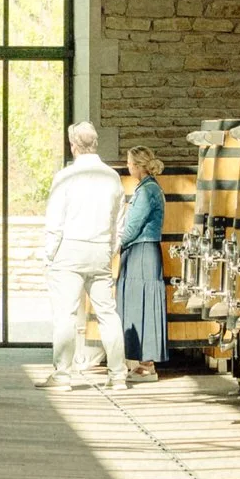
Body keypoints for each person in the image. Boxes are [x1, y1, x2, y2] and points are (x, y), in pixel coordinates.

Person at [41, 120, 128, 389]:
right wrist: (110, 249)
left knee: (65, 315)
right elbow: (119, 221)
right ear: (96, 143)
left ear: (73, 146)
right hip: (100, 249)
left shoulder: (66, 177)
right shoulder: (112, 177)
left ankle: (63, 375)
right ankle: (118, 375)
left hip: (69, 249)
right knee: (108, 314)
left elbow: (55, 221)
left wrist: (49, 255)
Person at [117, 145, 167, 387]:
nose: (127, 167)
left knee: (141, 305)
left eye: (129, 163)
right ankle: (142, 363)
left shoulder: (147, 191)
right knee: (139, 305)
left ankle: (146, 365)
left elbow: (132, 227)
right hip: (144, 250)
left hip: (142, 251)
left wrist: (115, 245)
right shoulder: (149, 187)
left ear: (138, 165)